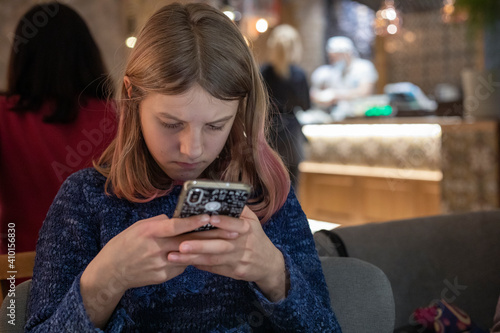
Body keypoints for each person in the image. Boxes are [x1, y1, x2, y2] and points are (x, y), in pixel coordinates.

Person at [26, 3, 341, 332]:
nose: (192, 149)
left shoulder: (265, 196)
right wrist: (105, 280)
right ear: (132, 96)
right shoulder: (85, 200)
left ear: (240, 110)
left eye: (215, 126)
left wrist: (274, 273)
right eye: (170, 123)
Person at [0, 2, 115, 254]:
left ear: (21, 57)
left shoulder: (4, 115)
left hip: (14, 270)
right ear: (88, 54)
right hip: (99, 270)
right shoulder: (117, 117)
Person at [261, 24, 311, 189]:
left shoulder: (263, 73)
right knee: (292, 184)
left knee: (269, 182)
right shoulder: (298, 74)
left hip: (268, 130)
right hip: (290, 133)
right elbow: (306, 105)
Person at [310, 36, 378, 117]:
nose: (334, 60)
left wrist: (335, 95)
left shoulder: (364, 67)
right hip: (335, 115)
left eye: (336, 56)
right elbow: (313, 94)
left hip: (361, 115)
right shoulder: (328, 72)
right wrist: (321, 97)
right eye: (331, 57)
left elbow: (365, 91)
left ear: (347, 53)